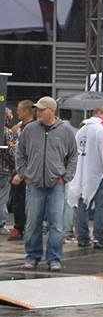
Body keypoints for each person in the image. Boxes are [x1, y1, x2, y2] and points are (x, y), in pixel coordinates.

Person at [15, 97, 77, 271]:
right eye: (37, 109)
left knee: (56, 224)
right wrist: (24, 174)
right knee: (33, 222)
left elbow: (73, 155)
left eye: (42, 110)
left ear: (52, 110)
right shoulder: (29, 130)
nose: (38, 112)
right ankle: (32, 256)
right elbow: (20, 153)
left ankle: (54, 258)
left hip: (56, 184)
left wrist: (66, 176)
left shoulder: (65, 131)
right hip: (34, 184)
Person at [69, 104, 103, 249]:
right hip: (98, 173)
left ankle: (83, 237)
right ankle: (101, 239)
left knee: (83, 207)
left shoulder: (81, 130)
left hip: (82, 173)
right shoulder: (102, 131)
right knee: (101, 208)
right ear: (99, 113)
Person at [8, 99, 34, 241]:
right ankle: (21, 226)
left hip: (24, 171)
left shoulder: (31, 129)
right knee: (16, 200)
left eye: (19, 109)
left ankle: (20, 227)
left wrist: (20, 172)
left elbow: (29, 152)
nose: (17, 112)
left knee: (22, 202)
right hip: (17, 167)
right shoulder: (22, 127)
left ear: (27, 111)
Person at [1, 107, 16, 236]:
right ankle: (1, 224)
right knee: (2, 198)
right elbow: (12, 152)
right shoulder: (6, 132)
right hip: (4, 171)